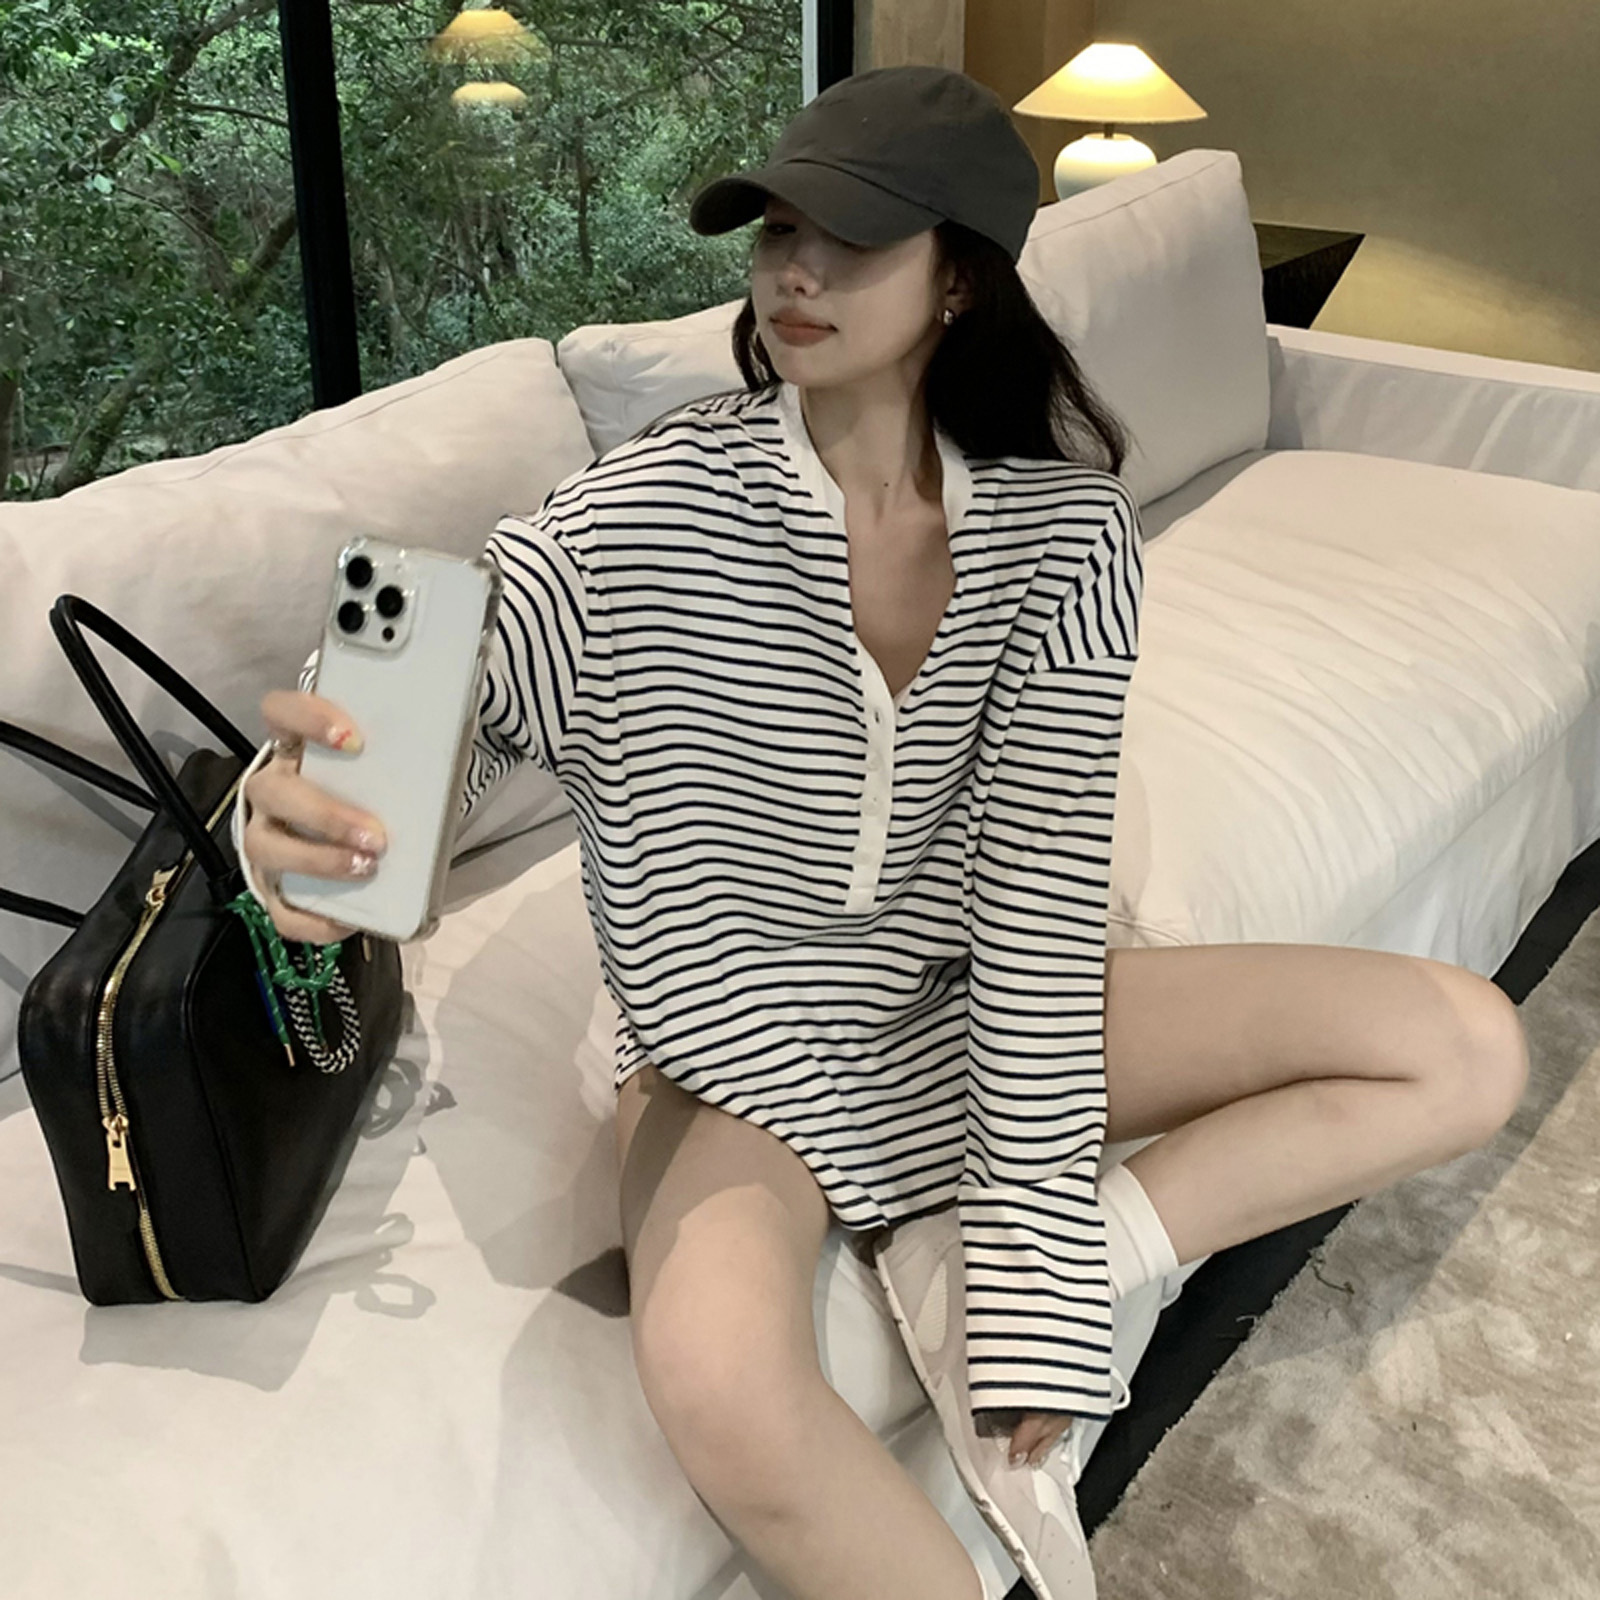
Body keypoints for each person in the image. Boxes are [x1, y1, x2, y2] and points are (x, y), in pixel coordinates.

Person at [236, 64, 1530, 1600]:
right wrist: (308, 830)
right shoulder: (636, 515)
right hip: (733, 1069)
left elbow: (1041, 911)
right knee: (725, 1388)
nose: (797, 270)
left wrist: (1043, 1275)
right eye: (778, 229)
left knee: (1463, 1047)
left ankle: (1010, 1262)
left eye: (852, 239)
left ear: (960, 278)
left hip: (956, 1010)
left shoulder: (1064, 541)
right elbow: (443, 687)